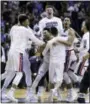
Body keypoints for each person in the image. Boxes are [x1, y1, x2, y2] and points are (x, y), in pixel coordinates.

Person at [1, 14, 44, 102]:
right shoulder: (26, 29)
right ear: (24, 21)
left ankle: (2, 92)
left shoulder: (13, 28)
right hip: (20, 52)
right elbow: (36, 41)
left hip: (11, 51)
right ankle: (11, 93)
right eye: (27, 21)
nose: (28, 22)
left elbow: (11, 38)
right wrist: (46, 43)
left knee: (9, 73)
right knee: (20, 73)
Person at [62, 17, 79, 102]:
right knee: (69, 72)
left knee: (63, 73)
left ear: (70, 22)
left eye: (67, 20)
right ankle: (79, 85)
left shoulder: (71, 31)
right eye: (64, 20)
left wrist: (58, 40)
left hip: (69, 53)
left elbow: (69, 44)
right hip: (65, 53)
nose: (66, 22)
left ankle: (71, 93)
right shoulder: (62, 30)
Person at [77, 19, 90, 103]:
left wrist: (77, 50)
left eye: (83, 24)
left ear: (85, 26)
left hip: (85, 60)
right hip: (87, 60)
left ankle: (81, 97)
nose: (82, 25)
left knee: (82, 80)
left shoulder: (86, 35)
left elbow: (85, 48)